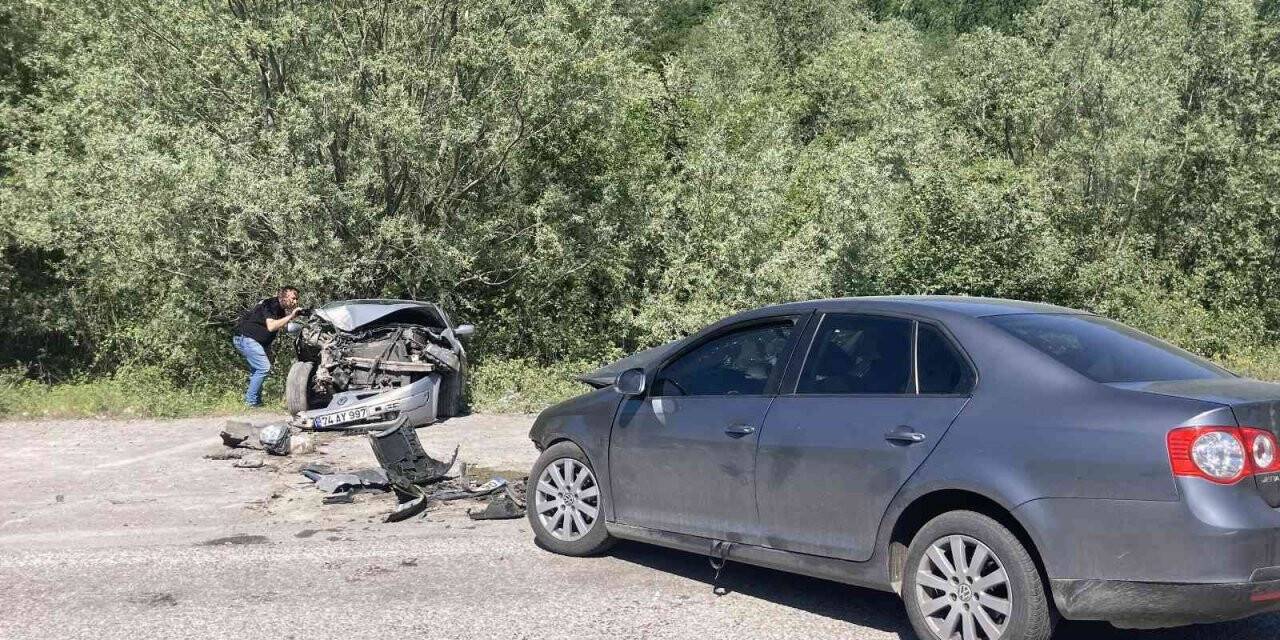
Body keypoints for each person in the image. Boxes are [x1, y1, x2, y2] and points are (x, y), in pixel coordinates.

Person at [233, 286, 301, 407]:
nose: (295, 302)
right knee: (264, 368)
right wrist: (290, 316)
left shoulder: (279, 309)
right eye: (293, 298)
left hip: (254, 341)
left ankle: (256, 403)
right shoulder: (271, 304)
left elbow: (282, 326)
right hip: (247, 339)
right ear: (282, 297)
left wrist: (296, 322)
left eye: (297, 299)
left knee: (257, 371)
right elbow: (271, 326)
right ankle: (250, 402)